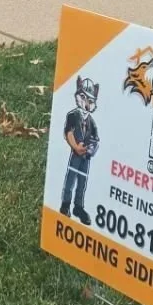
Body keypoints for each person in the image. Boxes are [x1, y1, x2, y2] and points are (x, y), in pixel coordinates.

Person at [60, 75, 100, 224]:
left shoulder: (92, 122)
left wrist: (91, 149)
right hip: (76, 154)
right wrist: (75, 146)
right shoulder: (73, 115)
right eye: (84, 98)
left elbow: (96, 139)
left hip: (86, 157)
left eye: (90, 101)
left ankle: (78, 206)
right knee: (70, 179)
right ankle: (65, 204)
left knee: (82, 181)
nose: (87, 104)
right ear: (78, 97)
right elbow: (69, 132)